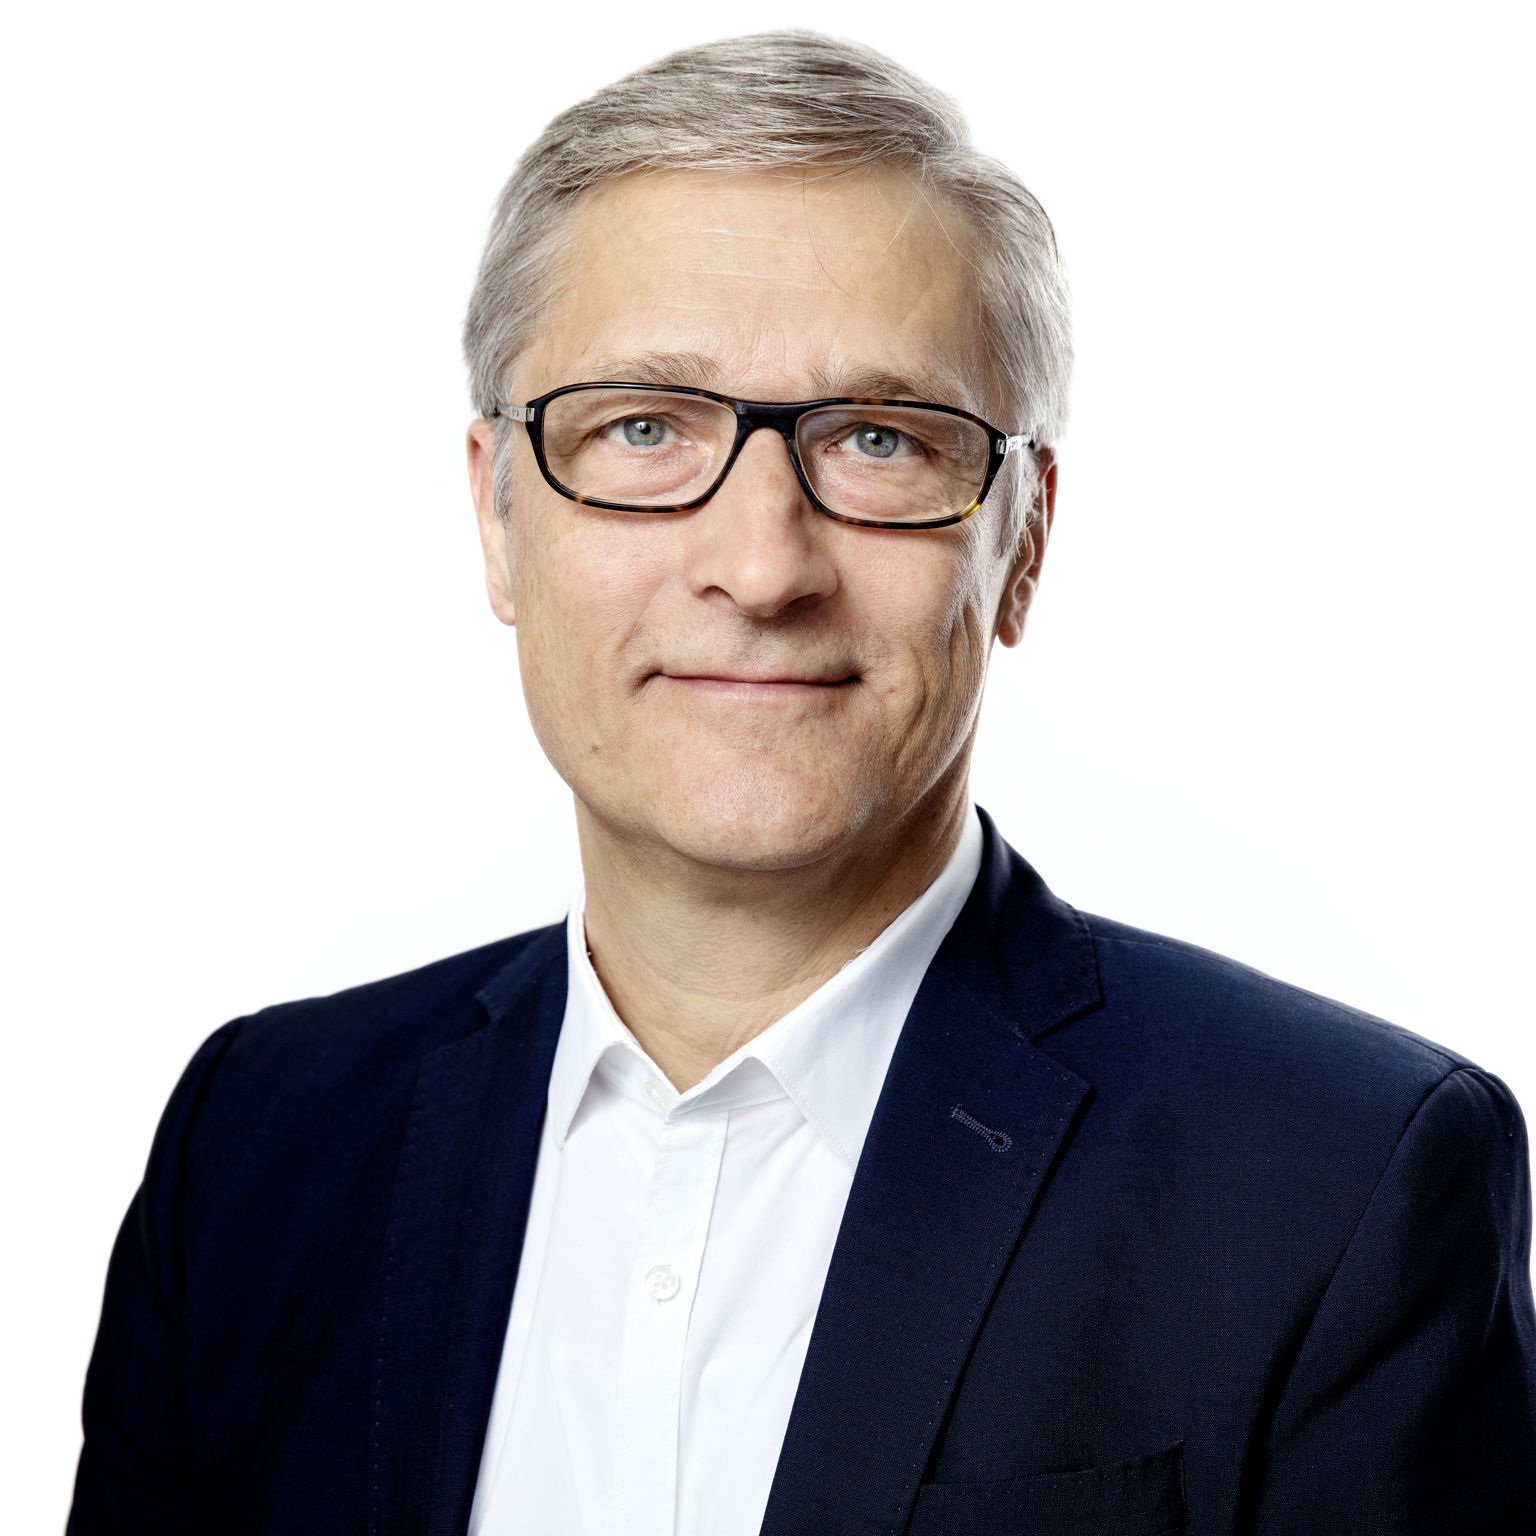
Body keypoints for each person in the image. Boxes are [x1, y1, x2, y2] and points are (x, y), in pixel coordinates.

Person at [68, 30, 1535, 1536]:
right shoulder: (257, 1145)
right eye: (645, 428)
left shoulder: (1342, 1182)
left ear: (1023, 542)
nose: (763, 567)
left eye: (880, 440)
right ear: (497, 520)